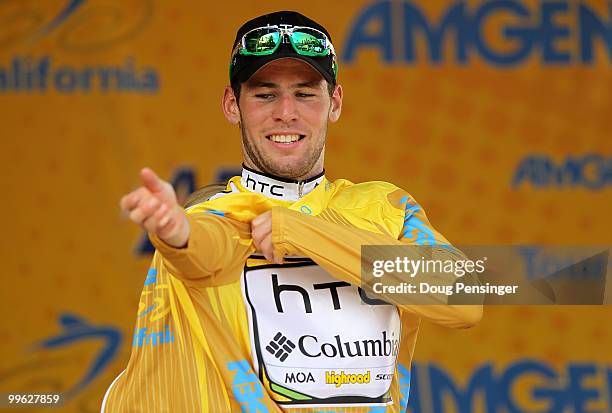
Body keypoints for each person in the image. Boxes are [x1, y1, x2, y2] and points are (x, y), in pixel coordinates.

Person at [103, 10, 482, 413]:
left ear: (334, 103)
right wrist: (177, 233)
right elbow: (201, 251)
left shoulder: (384, 206)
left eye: (304, 93)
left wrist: (300, 231)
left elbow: (463, 298)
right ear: (233, 105)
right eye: (265, 94)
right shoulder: (224, 215)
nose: (286, 111)